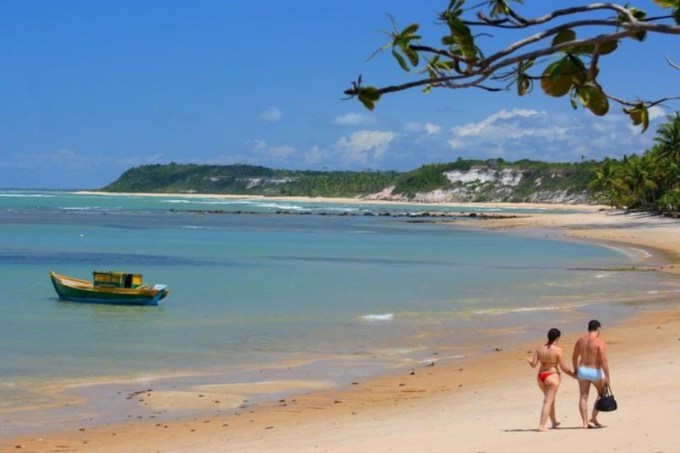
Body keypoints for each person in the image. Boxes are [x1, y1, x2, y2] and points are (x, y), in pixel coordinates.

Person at [527, 328, 575, 431]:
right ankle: (542, 425)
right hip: (552, 376)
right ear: (557, 338)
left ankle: (554, 422)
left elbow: (533, 365)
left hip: (541, 377)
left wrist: (530, 361)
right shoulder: (558, 350)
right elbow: (563, 368)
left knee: (550, 399)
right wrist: (573, 375)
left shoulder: (539, 348)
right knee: (548, 401)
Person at [572, 319, 610, 429]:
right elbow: (603, 360)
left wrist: (576, 370)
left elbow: (574, 357)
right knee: (602, 394)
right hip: (595, 371)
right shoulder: (599, 342)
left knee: (583, 397)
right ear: (598, 329)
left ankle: (585, 423)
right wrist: (607, 376)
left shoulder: (580, 341)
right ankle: (593, 417)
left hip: (583, 370)